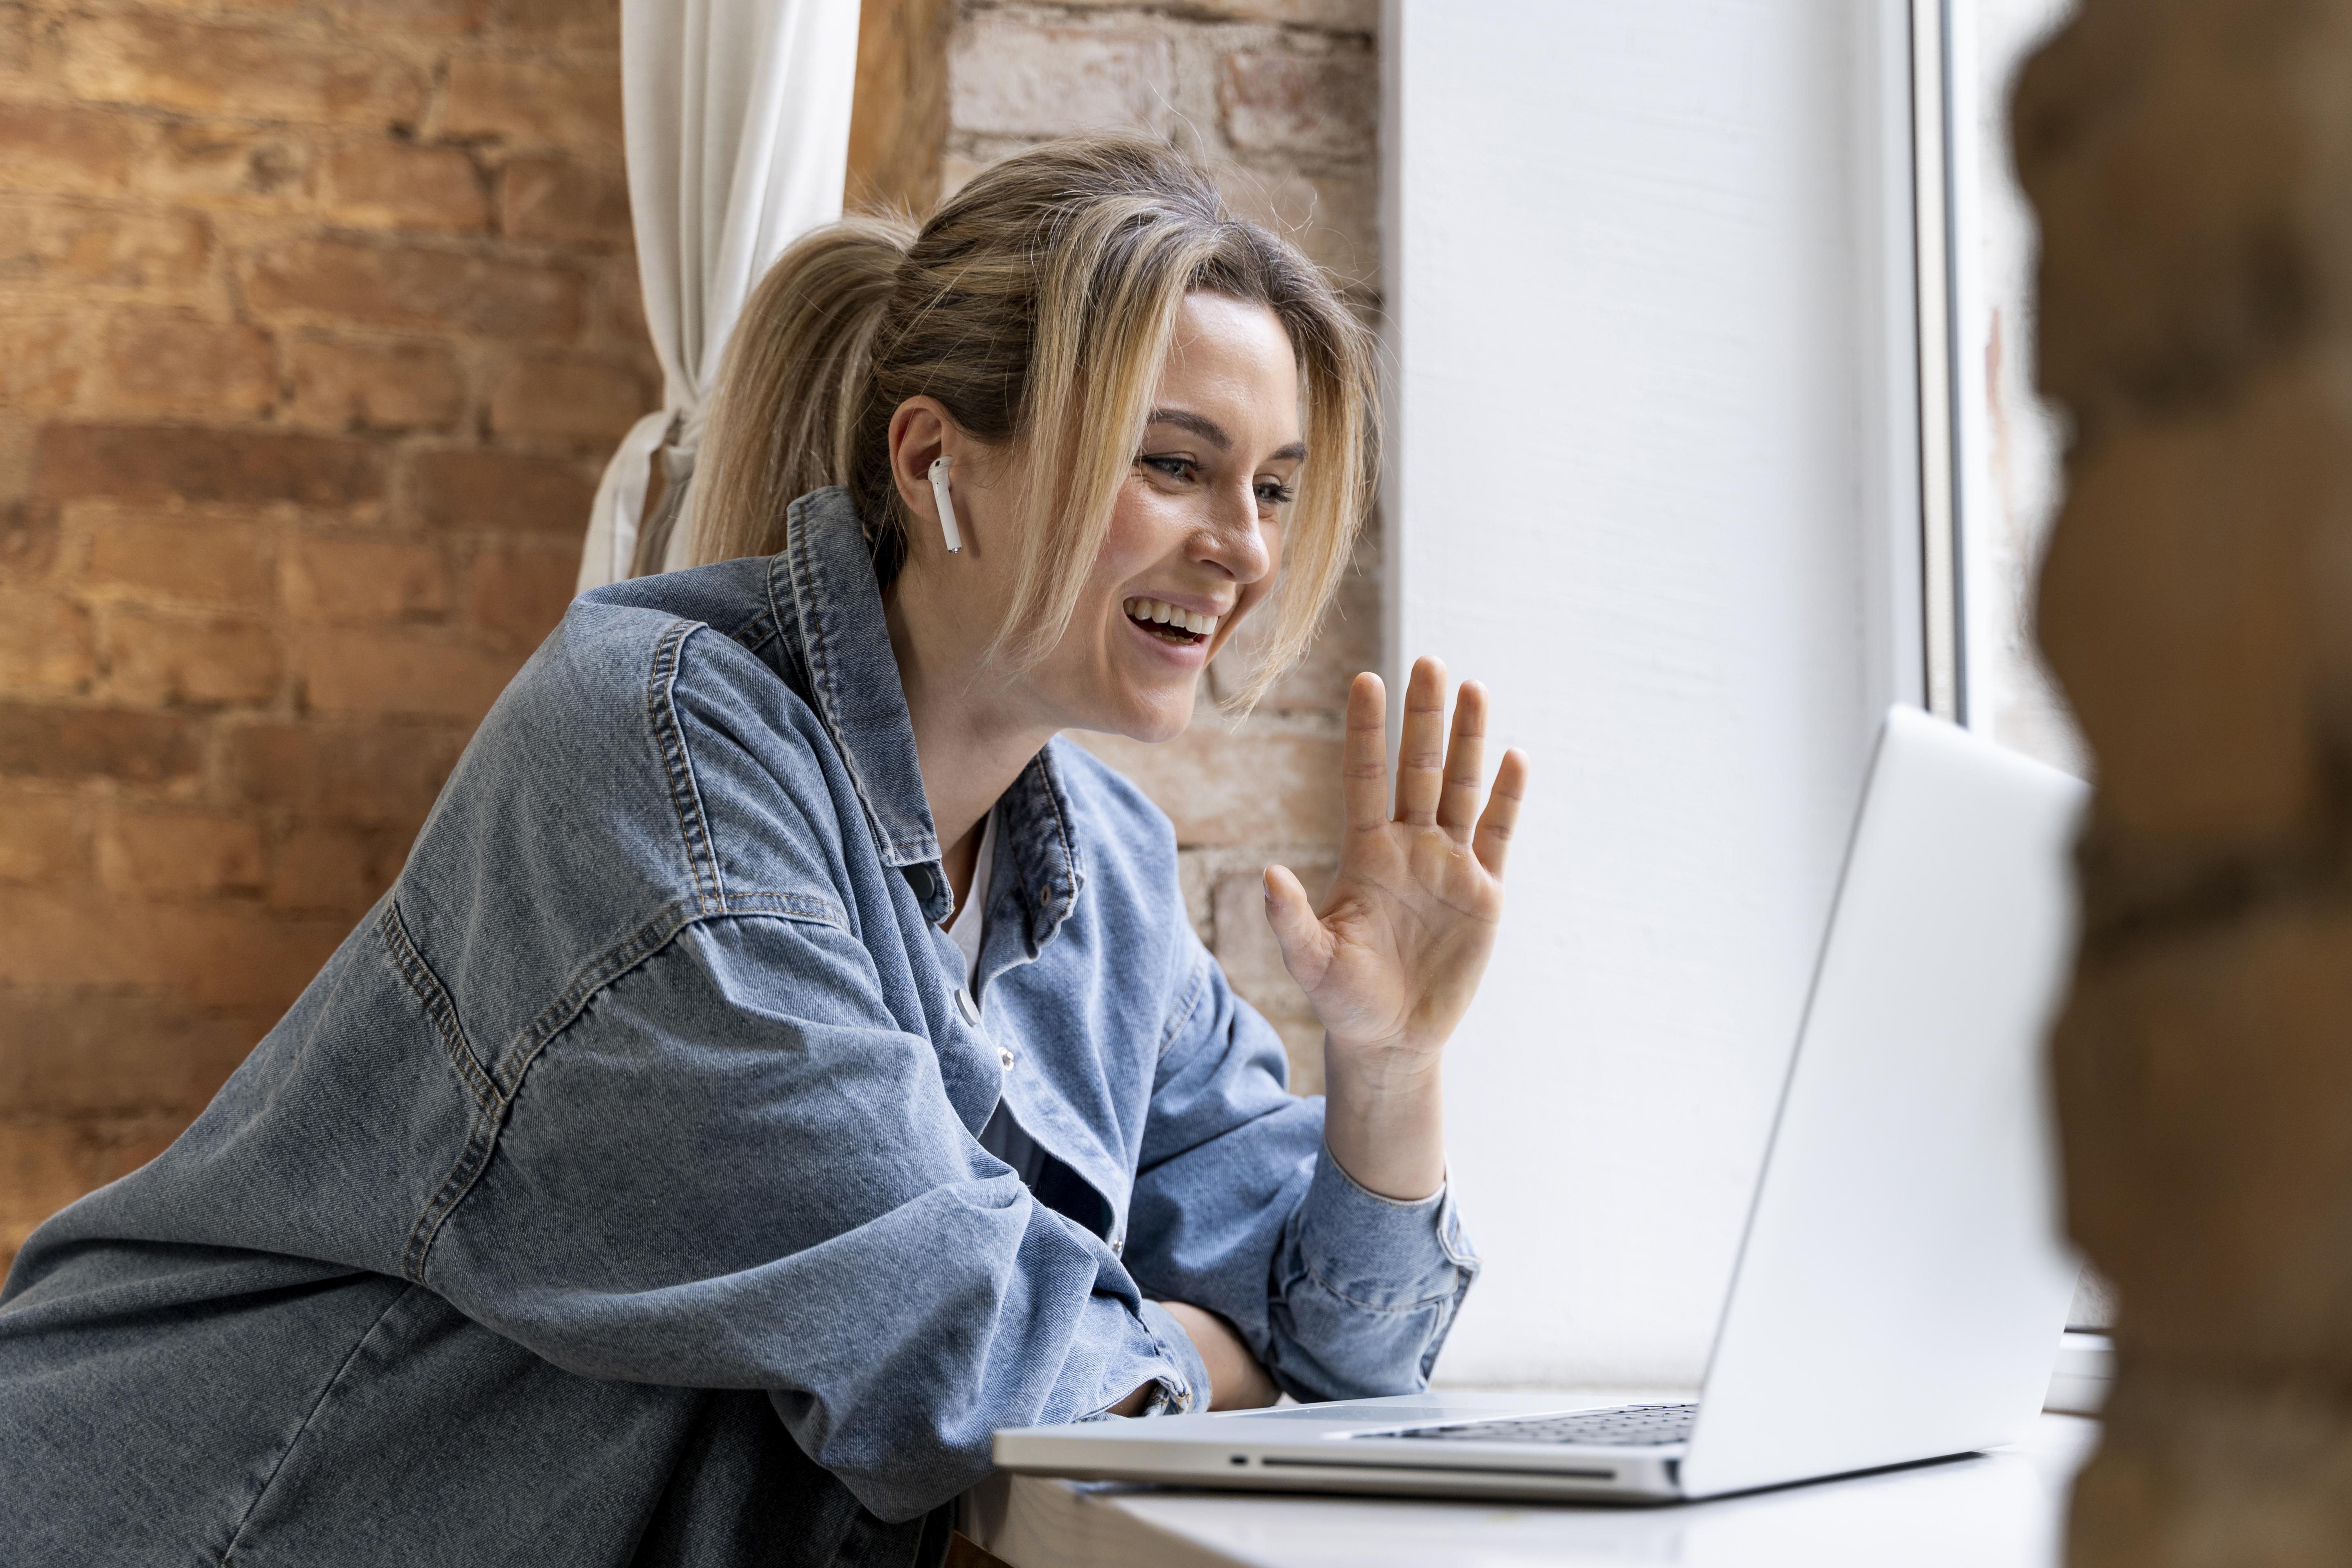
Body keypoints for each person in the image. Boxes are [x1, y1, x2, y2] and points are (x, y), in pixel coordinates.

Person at [0, 136, 1528, 1567]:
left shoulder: (1109, 871)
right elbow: (972, 1358)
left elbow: (1347, 1361)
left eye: (1274, 486)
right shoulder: (652, 753)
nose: (1249, 548)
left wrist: (1389, 1070)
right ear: (939, 464)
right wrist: (1196, 1353)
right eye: (1175, 464)